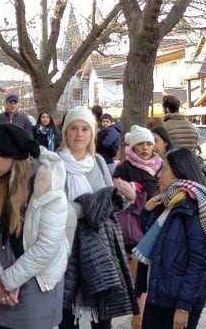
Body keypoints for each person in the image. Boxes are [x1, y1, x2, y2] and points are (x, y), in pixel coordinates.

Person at [0, 123, 69, 329]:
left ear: (13, 158)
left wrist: (7, 281)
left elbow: (47, 246)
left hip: (36, 285)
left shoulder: (49, 186)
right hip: (2, 285)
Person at [57, 106, 138, 329]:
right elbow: (53, 210)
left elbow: (110, 203)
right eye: (74, 128)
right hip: (68, 247)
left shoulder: (99, 163)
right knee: (67, 315)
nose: (79, 134)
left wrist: (128, 197)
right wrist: (91, 204)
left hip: (100, 247)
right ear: (65, 132)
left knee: (103, 317)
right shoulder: (54, 164)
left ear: (92, 133)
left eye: (85, 129)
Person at [132, 147, 206, 329]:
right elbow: (150, 241)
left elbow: (198, 262)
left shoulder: (194, 207)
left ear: (179, 171)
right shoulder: (166, 202)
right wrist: (147, 211)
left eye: (164, 169)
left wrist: (183, 306)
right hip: (158, 294)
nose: (159, 174)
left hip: (179, 301)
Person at [112, 125, 162, 329]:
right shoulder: (124, 169)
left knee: (152, 283)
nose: (145, 148)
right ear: (132, 146)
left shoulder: (161, 166)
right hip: (135, 234)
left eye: (149, 143)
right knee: (139, 284)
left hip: (157, 228)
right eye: (140, 144)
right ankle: (138, 322)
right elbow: (115, 200)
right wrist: (136, 199)